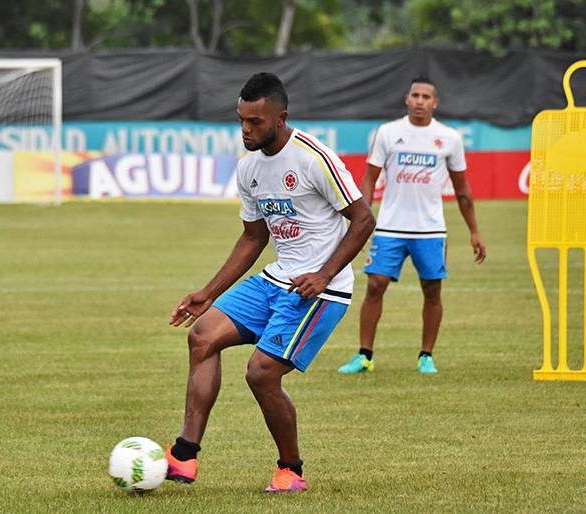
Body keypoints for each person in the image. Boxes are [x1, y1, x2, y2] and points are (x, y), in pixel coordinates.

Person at [165, 72, 375, 493]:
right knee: (203, 337)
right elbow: (253, 237)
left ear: (280, 118)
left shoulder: (314, 158)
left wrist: (323, 273)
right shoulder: (249, 169)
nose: (245, 129)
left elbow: (364, 219)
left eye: (255, 122)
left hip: (320, 288)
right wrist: (207, 294)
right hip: (276, 278)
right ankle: (184, 456)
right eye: (241, 120)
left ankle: (291, 470)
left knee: (261, 373)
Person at [337, 77, 486, 375]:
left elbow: (462, 190)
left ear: (435, 103)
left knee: (432, 290)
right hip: (390, 227)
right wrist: (361, 218)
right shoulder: (388, 133)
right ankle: (364, 355)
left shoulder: (449, 138)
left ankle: (425, 356)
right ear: (407, 99)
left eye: (426, 96)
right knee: (375, 285)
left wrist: (474, 230)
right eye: (415, 95)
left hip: (430, 230)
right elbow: (369, 178)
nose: (420, 101)